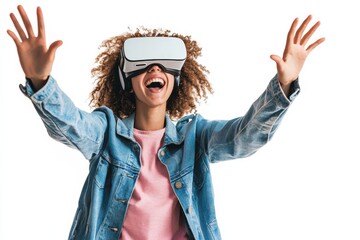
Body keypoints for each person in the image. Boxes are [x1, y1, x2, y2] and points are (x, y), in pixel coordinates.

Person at [7, 5, 325, 240]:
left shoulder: (195, 137)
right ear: (126, 80)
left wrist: (284, 86)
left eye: (165, 65)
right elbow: (71, 125)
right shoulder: (105, 132)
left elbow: (245, 138)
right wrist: (40, 80)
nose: (155, 70)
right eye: (143, 65)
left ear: (177, 79)